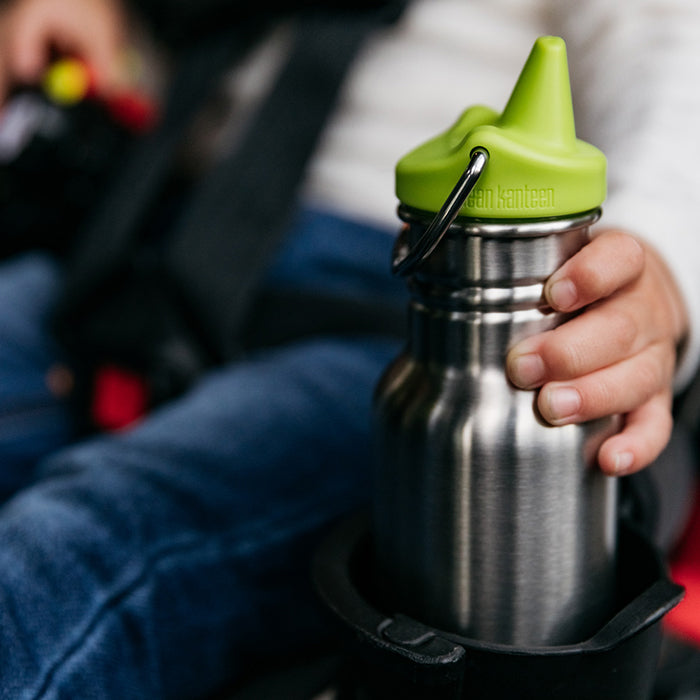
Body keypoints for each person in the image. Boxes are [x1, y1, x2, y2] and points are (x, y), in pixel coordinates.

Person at [0, 0, 696, 696]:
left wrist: (657, 268)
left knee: (74, 546)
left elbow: (668, 57)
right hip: (143, 232)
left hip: (412, 298)